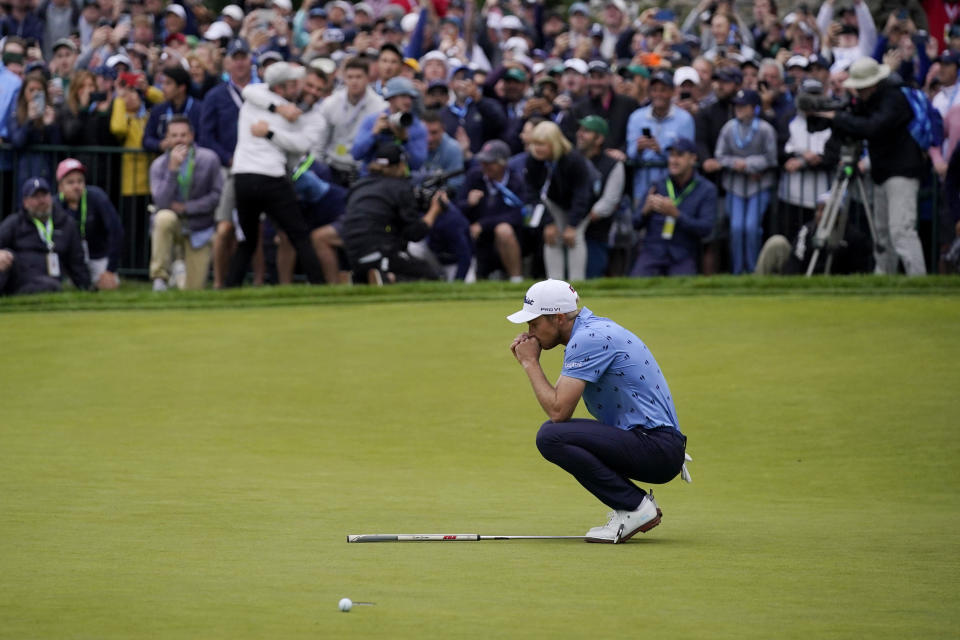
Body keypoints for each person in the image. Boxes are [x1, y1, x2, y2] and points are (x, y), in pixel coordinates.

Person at [507, 279, 689, 543]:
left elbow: (558, 411)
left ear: (558, 318)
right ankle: (631, 507)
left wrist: (529, 362)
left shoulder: (588, 339)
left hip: (657, 447)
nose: (530, 332)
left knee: (551, 436)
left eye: (534, 324)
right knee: (555, 434)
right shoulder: (589, 331)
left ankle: (635, 508)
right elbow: (558, 400)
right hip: (656, 444)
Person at [815, 56, 927, 275]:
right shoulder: (870, 101)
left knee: (901, 230)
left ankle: (918, 278)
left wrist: (838, 117)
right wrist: (827, 116)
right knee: (882, 232)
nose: (858, 92)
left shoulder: (894, 98)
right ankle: (884, 276)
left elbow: (873, 127)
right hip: (881, 173)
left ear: (872, 84)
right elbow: (855, 124)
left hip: (901, 173)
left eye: (861, 87)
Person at [228, 62, 326, 287]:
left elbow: (300, 144)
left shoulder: (259, 101)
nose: (300, 88)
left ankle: (228, 290)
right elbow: (249, 90)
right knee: (299, 236)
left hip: (243, 178)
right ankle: (320, 287)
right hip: (270, 178)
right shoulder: (277, 104)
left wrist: (270, 132)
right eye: (296, 84)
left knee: (249, 241)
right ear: (280, 88)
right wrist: (278, 110)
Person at [339, 140, 447, 284]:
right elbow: (415, 233)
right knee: (430, 276)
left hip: (351, 253)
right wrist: (434, 210)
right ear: (400, 165)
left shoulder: (359, 185)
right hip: (380, 251)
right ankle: (389, 278)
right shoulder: (400, 187)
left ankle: (365, 276)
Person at [148, 116, 223, 290]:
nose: (179, 139)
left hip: (199, 229)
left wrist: (187, 208)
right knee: (163, 217)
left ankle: (180, 272)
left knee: (193, 290)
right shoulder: (159, 165)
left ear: (192, 136)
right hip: (173, 223)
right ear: (167, 139)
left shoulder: (209, 159)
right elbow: (161, 202)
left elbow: (216, 195)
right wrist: (172, 170)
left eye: (183, 135)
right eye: (174, 136)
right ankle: (160, 278)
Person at [631, 138, 717, 276]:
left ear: (693, 159)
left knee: (684, 287)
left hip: (683, 253)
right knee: (636, 284)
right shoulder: (658, 184)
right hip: (653, 251)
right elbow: (635, 223)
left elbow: (705, 229)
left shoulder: (706, 189)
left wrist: (676, 214)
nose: (673, 161)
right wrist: (645, 211)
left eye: (680, 155)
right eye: (671, 155)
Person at [715, 89, 778, 274]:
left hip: (759, 187)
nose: (739, 109)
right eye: (737, 105)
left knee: (751, 227)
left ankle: (754, 269)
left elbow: (771, 158)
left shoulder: (765, 129)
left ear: (754, 108)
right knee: (736, 227)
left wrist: (749, 164)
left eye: (743, 105)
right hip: (734, 186)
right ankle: (737, 270)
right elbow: (719, 156)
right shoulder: (728, 128)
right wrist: (736, 164)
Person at [526, 120, 596, 282]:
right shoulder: (533, 160)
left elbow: (582, 194)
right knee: (551, 238)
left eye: (542, 144)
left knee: (574, 238)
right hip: (553, 202)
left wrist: (572, 225)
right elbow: (531, 193)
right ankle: (555, 286)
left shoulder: (573, 159)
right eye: (535, 143)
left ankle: (577, 286)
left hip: (579, 204)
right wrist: (547, 222)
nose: (537, 148)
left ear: (554, 143)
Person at [0, 177, 91, 295]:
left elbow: (76, 261)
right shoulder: (14, 223)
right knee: (5, 256)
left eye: (44, 195)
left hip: (50, 280)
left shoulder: (66, 223)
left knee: (50, 286)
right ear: (25, 202)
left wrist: (87, 288)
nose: (41, 200)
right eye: (35, 197)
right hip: (19, 278)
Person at [456, 139, 526, 281]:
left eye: (490, 163)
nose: (484, 166)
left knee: (503, 230)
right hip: (478, 237)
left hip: (512, 237)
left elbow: (516, 215)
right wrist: (468, 203)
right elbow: (458, 208)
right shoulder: (475, 177)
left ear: (503, 163)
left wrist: (483, 224)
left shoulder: (515, 181)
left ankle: (516, 280)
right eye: (483, 162)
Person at [316, 56, 386, 184]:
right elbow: (320, 141)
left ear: (367, 78)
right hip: (333, 168)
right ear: (344, 78)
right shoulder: (330, 103)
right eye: (350, 77)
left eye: (359, 77)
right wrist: (320, 169)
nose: (354, 82)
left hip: (364, 171)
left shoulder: (380, 106)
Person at [56, 158, 123, 290]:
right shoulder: (54, 205)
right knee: (60, 287)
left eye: (80, 181)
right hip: (66, 261)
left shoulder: (97, 197)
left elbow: (116, 232)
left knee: (110, 286)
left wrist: (110, 269)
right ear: (60, 187)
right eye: (70, 182)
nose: (76, 186)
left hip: (97, 257)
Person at [575, 115, 626, 278]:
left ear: (599, 139)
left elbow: (609, 202)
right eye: (580, 130)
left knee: (589, 280)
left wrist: (579, 221)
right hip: (566, 231)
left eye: (587, 131)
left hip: (595, 233)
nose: (580, 134)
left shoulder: (613, 165)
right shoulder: (570, 160)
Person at [352, 76, 427, 171]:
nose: (408, 101)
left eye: (410, 97)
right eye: (403, 96)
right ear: (391, 98)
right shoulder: (373, 121)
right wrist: (374, 134)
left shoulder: (416, 126)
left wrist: (405, 140)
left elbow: (417, 164)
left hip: (401, 179)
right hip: (372, 177)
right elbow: (356, 154)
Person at [142, 64, 202, 153]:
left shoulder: (199, 109)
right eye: (163, 83)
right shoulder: (158, 110)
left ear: (181, 88)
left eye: (168, 83)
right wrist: (160, 144)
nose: (163, 87)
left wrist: (188, 144)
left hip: (194, 161)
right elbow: (146, 139)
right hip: (165, 163)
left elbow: (205, 138)